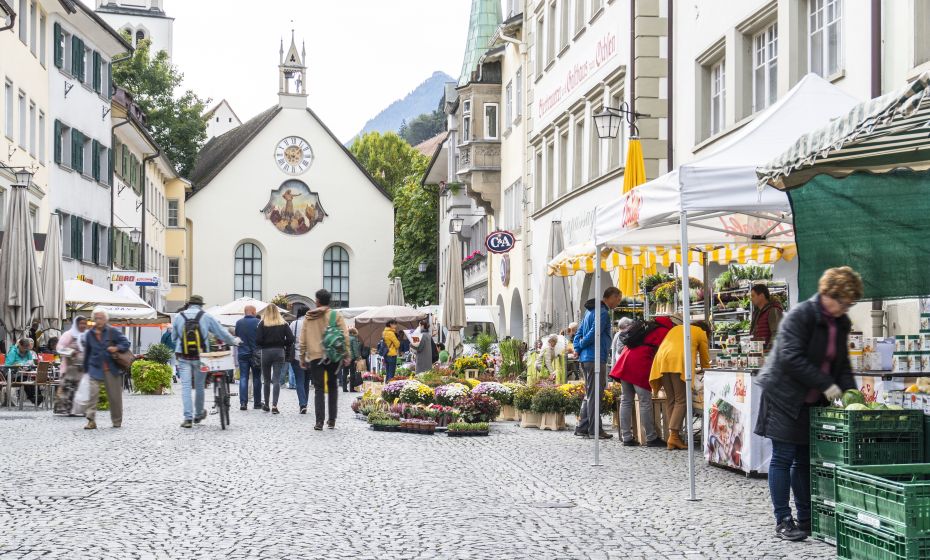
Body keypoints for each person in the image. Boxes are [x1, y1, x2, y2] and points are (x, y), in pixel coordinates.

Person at [755, 267, 862, 542]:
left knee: (804, 460)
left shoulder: (841, 322)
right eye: (844, 302)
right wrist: (827, 385)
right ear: (829, 294)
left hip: (810, 401)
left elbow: (842, 365)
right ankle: (783, 519)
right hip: (783, 395)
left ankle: (807, 518)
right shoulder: (800, 315)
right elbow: (790, 356)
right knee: (783, 457)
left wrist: (851, 398)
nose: (845, 308)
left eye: (849, 304)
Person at [172, 295, 238, 429]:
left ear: (189, 304)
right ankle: (199, 413)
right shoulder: (206, 316)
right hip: (202, 357)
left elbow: (174, 337)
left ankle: (187, 418)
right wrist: (233, 342)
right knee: (200, 386)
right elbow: (221, 332)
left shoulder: (179, 317)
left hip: (184, 357)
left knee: (185, 387)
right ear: (201, 305)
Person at [610, 316, 675, 447]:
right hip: (639, 364)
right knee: (645, 401)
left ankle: (626, 437)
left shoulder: (647, 327)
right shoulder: (664, 331)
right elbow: (664, 353)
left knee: (626, 400)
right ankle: (651, 437)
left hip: (626, 361)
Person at [649, 317, 711, 451]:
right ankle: (674, 436)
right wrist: (706, 370)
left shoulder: (676, 328)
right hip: (678, 363)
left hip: (662, 362)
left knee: (671, 400)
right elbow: (706, 360)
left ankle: (673, 436)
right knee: (682, 400)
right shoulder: (701, 332)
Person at [573, 287, 623, 439]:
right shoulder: (602, 312)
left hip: (586, 358)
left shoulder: (590, 311)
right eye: (618, 299)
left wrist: (577, 347)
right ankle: (595, 430)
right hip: (595, 357)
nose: (618, 303)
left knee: (590, 394)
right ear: (612, 297)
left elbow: (579, 332)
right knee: (595, 395)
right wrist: (580, 345)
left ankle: (582, 427)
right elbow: (595, 332)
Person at [300, 289, 351, 430]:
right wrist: (347, 354)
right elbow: (345, 336)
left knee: (319, 388)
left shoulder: (309, 316)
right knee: (333, 386)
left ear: (317, 301)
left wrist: (302, 356)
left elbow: (303, 338)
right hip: (333, 355)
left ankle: (319, 422)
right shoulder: (336, 315)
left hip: (315, 356)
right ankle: (332, 420)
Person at [82, 309, 130, 429]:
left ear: (106, 319)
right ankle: (91, 420)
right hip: (94, 367)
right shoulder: (89, 334)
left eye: (101, 318)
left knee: (115, 397)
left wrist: (116, 347)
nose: (99, 320)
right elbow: (87, 352)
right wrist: (85, 369)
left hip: (111, 368)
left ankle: (117, 421)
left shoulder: (112, 331)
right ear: (93, 319)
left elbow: (126, 343)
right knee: (92, 394)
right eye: (97, 318)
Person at [256, 304, 294, 414]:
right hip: (279, 352)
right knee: (276, 379)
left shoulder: (262, 324)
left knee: (266, 380)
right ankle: (274, 405)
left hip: (266, 352)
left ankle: (266, 404)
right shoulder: (283, 323)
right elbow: (291, 338)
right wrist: (282, 343)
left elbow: (258, 340)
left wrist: (265, 343)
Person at [55, 317, 88, 415]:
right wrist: (71, 351)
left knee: (81, 389)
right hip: (69, 368)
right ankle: (64, 409)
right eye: (81, 323)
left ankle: (79, 410)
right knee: (67, 389)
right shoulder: (68, 334)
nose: (83, 325)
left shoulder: (86, 336)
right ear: (76, 324)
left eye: (85, 323)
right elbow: (59, 348)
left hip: (82, 369)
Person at [234, 305, 262, 411]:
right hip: (255, 354)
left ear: (245, 312)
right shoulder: (258, 322)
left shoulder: (238, 322)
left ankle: (243, 403)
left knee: (243, 377)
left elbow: (237, 336)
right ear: (254, 312)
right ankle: (257, 403)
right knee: (256, 378)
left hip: (242, 353)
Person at [288, 304, 310, 414]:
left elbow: (289, 338)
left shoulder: (293, 324)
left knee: (299, 381)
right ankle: (305, 402)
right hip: (310, 356)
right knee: (307, 381)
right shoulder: (311, 324)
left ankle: (302, 404)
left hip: (297, 355)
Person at [750, 284, 784, 351]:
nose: (751, 299)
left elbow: (777, 333)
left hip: (769, 354)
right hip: (759, 354)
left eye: (753, 296)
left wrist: (769, 349)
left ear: (761, 296)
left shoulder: (773, 310)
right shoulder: (756, 313)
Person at [345, 328, 362, 392]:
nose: (356, 334)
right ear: (353, 333)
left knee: (345, 373)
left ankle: (344, 388)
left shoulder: (345, 338)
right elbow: (355, 349)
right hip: (351, 358)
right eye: (355, 333)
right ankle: (351, 388)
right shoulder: (354, 339)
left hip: (345, 357)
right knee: (352, 373)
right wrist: (358, 357)